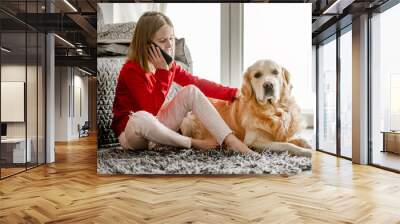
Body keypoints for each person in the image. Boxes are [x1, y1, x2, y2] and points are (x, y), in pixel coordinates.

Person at [111, 11, 256, 155]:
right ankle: (192, 143)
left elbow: (197, 83)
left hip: (159, 132)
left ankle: (230, 141)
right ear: (146, 45)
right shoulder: (131, 69)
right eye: (162, 41)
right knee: (141, 117)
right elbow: (149, 110)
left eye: (172, 38)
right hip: (133, 135)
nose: (169, 45)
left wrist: (233, 93)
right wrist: (163, 73)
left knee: (191, 90)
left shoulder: (170, 66)